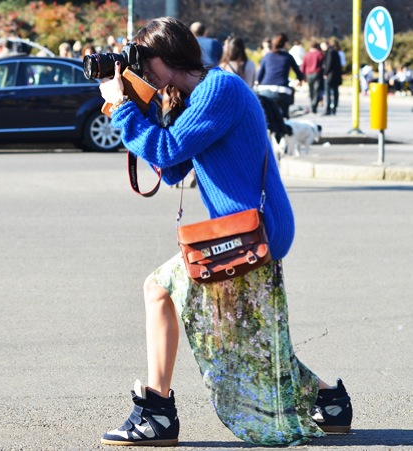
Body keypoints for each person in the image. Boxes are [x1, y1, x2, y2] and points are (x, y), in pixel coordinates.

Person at [98, 17, 352, 447]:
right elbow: (174, 166)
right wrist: (139, 105)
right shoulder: (197, 93)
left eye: (144, 62)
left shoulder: (220, 89)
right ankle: (330, 402)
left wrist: (123, 108)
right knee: (248, 333)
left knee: (158, 288)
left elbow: (167, 150)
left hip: (253, 230)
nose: (139, 71)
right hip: (240, 229)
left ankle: (156, 413)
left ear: (167, 55)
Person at [256, 32, 304, 119]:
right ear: (285, 44)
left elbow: (259, 77)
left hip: (265, 90)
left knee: (267, 117)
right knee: (284, 118)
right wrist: (298, 81)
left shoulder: (267, 56)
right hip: (282, 90)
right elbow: (299, 74)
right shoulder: (288, 57)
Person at [300, 41, 324, 114]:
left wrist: (302, 76)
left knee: (311, 90)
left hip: (308, 74)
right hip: (317, 73)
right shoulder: (319, 54)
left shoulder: (307, 55)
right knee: (316, 90)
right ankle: (314, 105)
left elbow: (303, 65)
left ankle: (312, 103)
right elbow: (323, 63)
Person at [320, 39, 342, 115]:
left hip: (330, 76)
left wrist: (325, 73)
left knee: (328, 92)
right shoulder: (334, 52)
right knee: (335, 92)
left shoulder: (330, 52)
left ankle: (328, 109)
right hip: (335, 76)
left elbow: (329, 64)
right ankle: (333, 108)